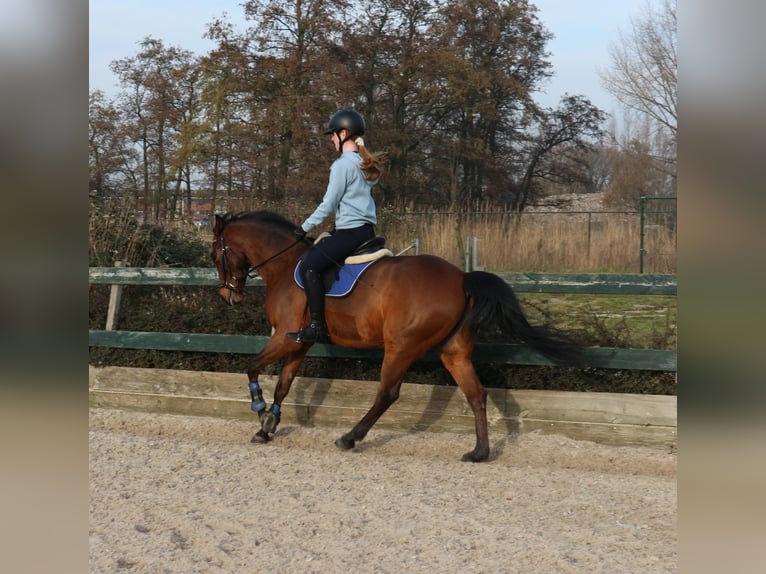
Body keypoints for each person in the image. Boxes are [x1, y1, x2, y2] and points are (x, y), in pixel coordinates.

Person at [287, 110, 388, 344]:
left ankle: (317, 326)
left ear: (343, 134)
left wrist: (303, 227)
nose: (332, 139)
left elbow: (328, 204)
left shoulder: (342, 165)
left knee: (309, 267)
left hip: (350, 233)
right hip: (365, 231)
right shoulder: (365, 164)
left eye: (333, 135)